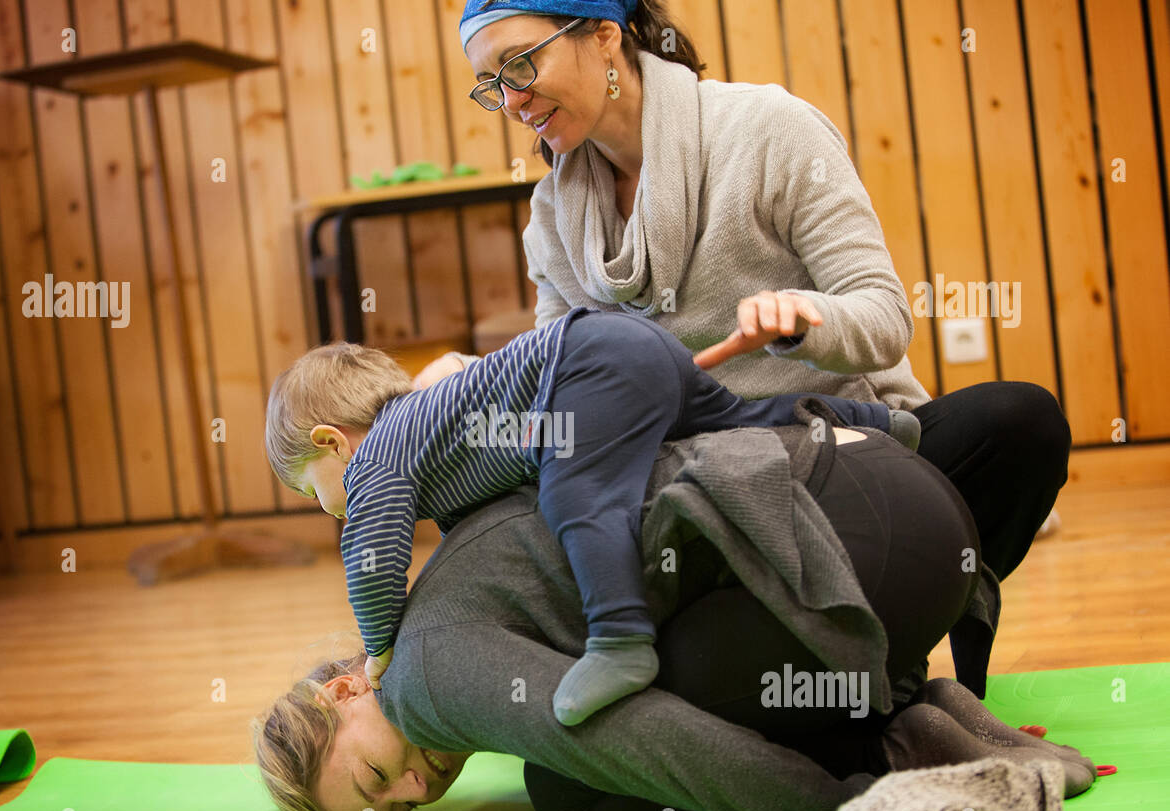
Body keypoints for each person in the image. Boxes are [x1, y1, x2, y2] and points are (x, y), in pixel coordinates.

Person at [413, 0, 1071, 696]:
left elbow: (883, 317)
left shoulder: (768, 129)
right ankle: (857, 668)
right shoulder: (551, 220)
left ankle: (898, 636)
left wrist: (802, 320)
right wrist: (470, 381)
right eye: (491, 83)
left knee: (1019, 422)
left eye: (521, 63)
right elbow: (558, 389)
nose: (511, 101)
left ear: (604, 37)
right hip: (710, 505)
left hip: (849, 462)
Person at [252, 415, 1096, 811]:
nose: (417, 793)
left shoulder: (421, 681)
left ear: (346, 686)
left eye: (374, 780)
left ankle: (892, 753)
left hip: (864, 547)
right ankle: (908, 709)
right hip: (891, 507)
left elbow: (644, 739)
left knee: (574, 782)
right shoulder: (442, 603)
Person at [265, 307, 919, 726]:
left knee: (576, 493)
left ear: (332, 443)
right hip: (626, 344)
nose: (327, 509)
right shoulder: (429, 437)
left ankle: (619, 639)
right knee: (737, 419)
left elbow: (374, 559)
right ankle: (872, 423)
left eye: (310, 493)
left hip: (584, 366)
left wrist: (378, 647)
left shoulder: (376, 458)